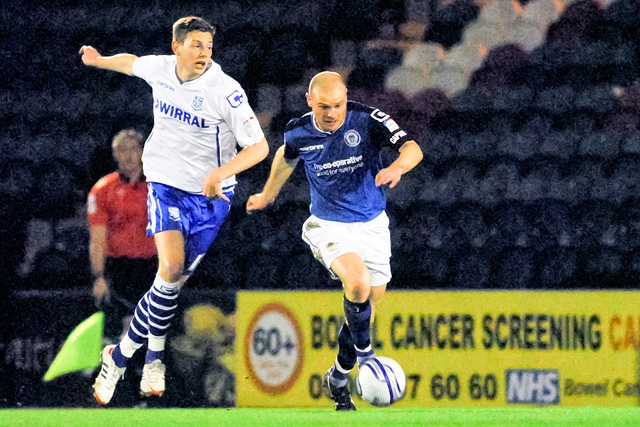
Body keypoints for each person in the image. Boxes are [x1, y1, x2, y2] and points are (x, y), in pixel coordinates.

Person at [79, 16, 269, 405]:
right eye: (196, 45)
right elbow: (131, 62)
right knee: (168, 269)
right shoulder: (161, 69)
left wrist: (221, 171)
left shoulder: (225, 91)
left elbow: (259, 148)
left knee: (171, 284)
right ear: (177, 46)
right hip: (166, 185)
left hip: (212, 197)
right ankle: (153, 358)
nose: (204, 53)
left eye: (209, 47)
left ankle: (119, 355)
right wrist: (99, 61)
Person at [246, 71, 423, 410]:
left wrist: (398, 167)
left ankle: (339, 376)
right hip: (327, 226)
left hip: (372, 225)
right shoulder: (299, 131)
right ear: (310, 101)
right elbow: (285, 159)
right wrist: (267, 195)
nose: (332, 113)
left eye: (338, 105)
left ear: (346, 99)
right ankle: (368, 358)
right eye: (324, 106)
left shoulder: (368, 119)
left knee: (365, 310)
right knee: (357, 284)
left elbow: (412, 148)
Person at [87, 129, 157, 343]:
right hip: (118, 270)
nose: (127, 155)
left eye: (132, 149)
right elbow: (97, 239)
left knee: (153, 333)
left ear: (143, 152)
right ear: (114, 154)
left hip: (152, 268)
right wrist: (98, 276)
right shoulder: (101, 190)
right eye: (121, 150)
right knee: (117, 333)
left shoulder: (159, 187)